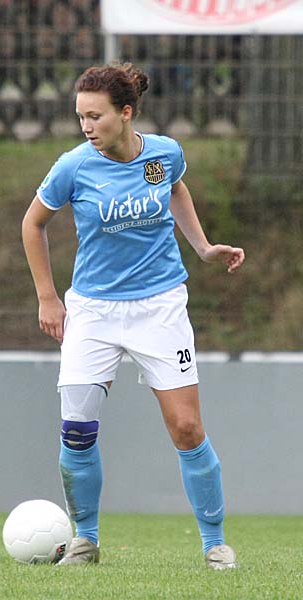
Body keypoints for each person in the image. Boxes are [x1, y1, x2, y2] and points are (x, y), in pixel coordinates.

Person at [22, 62, 245, 568]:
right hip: (93, 311)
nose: (86, 126)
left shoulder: (164, 154)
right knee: (77, 430)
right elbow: (33, 224)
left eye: (95, 116)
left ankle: (215, 544)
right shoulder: (73, 167)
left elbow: (176, 190)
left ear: (125, 113)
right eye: (81, 116)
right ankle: (85, 540)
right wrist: (48, 298)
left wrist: (203, 248)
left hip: (160, 307)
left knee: (186, 427)